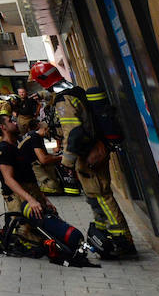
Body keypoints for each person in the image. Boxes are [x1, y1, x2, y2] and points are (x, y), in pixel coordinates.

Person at [30, 61, 136, 257]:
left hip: (87, 156)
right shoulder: (74, 90)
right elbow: (57, 97)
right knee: (94, 196)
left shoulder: (64, 101)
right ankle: (105, 232)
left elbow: (74, 133)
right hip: (93, 150)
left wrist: (67, 163)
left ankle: (122, 239)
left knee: (101, 196)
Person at [0, 113, 50, 245]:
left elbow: (28, 175)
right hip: (18, 199)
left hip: (31, 193)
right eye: (10, 121)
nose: (15, 123)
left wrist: (43, 198)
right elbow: (8, 180)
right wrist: (30, 200)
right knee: (27, 237)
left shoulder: (15, 146)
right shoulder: (4, 150)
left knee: (44, 231)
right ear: (3, 127)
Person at [20, 118, 63, 195]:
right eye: (49, 131)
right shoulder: (35, 137)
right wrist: (62, 157)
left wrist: (56, 156)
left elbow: (45, 156)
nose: (51, 133)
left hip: (27, 166)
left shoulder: (34, 136)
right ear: (45, 129)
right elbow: (43, 159)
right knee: (53, 187)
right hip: (27, 168)